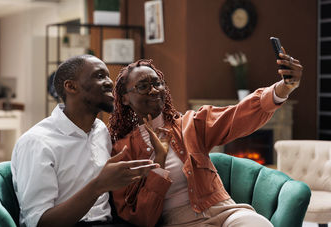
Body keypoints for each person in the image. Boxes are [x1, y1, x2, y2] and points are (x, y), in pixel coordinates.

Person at [108, 52, 303, 227]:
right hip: (181, 222)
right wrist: (159, 162)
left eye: (157, 83)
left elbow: (237, 115)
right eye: (143, 86)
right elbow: (140, 218)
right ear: (124, 98)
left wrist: (283, 88)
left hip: (225, 212)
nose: (153, 90)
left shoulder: (190, 124)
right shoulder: (123, 150)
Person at [11, 54, 158, 227]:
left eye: (108, 76)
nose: (110, 82)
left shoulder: (100, 130)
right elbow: (39, 222)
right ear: (71, 86)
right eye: (100, 76)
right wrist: (98, 186)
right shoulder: (36, 142)